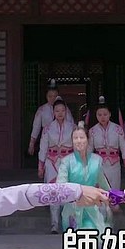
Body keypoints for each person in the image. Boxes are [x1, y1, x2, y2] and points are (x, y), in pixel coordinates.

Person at [57, 121, 113, 249]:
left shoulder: (96, 161)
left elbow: (103, 183)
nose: (79, 141)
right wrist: (76, 195)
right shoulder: (66, 162)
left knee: (91, 248)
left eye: (81, 137)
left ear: (88, 140)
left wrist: (115, 197)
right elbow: (60, 186)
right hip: (73, 211)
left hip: (91, 212)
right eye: (75, 138)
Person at [38, 97, 77, 233]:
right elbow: (43, 147)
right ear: (53, 112)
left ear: (66, 112)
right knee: (53, 192)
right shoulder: (47, 128)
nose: (60, 113)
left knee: (68, 192)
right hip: (51, 162)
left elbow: (78, 146)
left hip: (68, 161)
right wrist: (41, 165)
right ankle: (54, 224)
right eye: (57, 111)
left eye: (62, 111)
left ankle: (69, 224)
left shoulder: (73, 127)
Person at [88, 96, 125, 211]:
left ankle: (114, 211)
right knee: (101, 190)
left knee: (114, 189)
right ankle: (103, 215)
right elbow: (90, 149)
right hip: (99, 164)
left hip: (114, 163)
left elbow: (123, 147)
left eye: (105, 114)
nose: (102, 117)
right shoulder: (92, 131)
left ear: (110, 114)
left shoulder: (118, 129)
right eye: (99, 115)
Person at [28, 79, 74, 156]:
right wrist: (31, 144)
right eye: (50, 96)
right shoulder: (42, 110)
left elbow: (71, 124)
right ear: (46, 96)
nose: (53, 98)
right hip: (48, 140)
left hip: (64, 143)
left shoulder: (64, 108)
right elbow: (36, 128)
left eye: (55, 96)